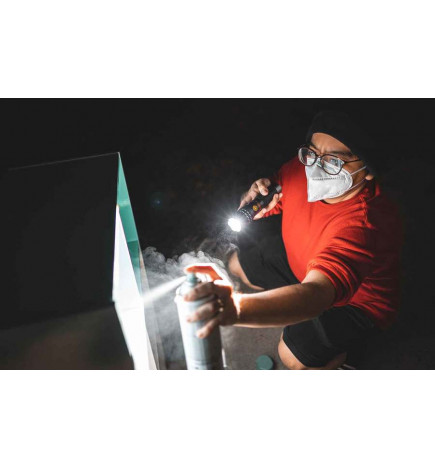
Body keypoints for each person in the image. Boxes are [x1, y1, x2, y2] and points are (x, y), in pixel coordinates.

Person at [185, 110, 402, 370]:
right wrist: (253, 199)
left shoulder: (364, 226)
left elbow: (316, 293)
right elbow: (276, 198)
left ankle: (344, 357)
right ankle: (293, 306)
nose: (316, 167)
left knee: (291, 356)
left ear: (368, 170)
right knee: (237, 267)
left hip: (353, 303)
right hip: (303, 261)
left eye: (334, 161)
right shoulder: (303, 168)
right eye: (313, 152)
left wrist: (238, 309)